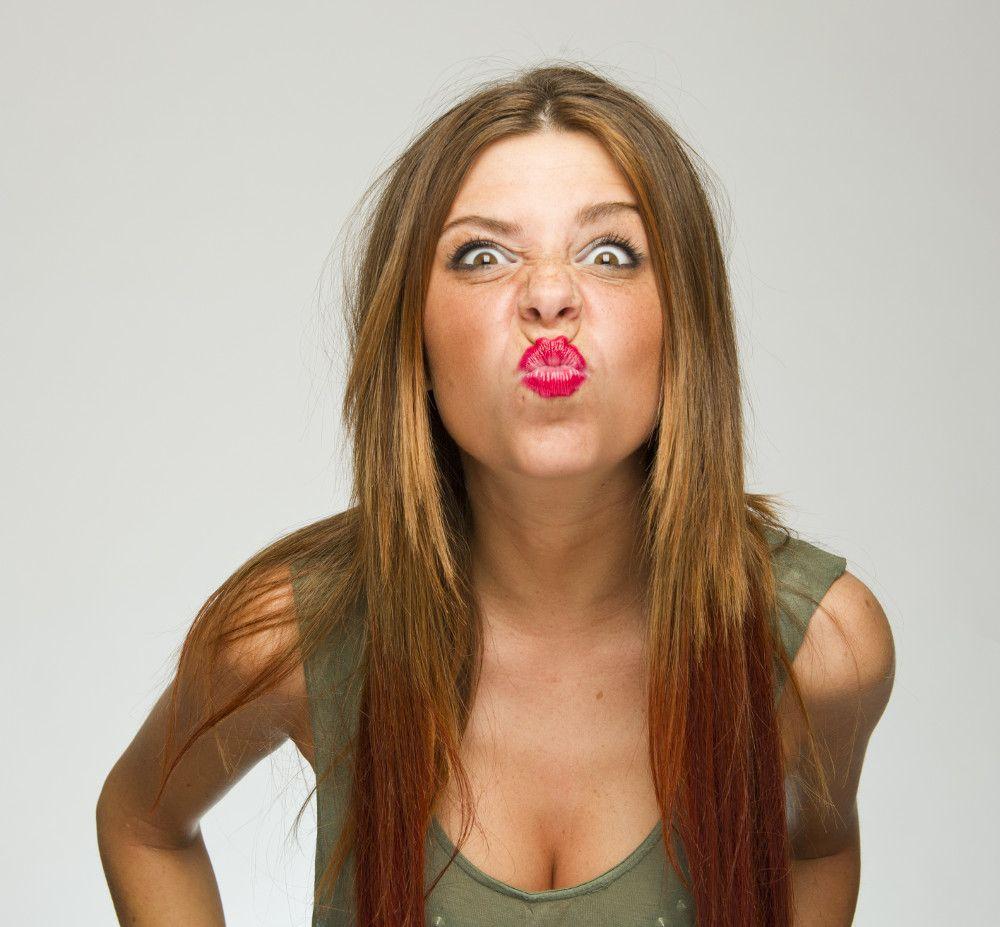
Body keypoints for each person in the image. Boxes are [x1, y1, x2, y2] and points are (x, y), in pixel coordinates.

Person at [96, 62, 895, 927]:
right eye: (483, 255)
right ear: (413, 337)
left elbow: (818, 846)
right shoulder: (286, 633)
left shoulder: (823, 649)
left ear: (685, 329)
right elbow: (142, 825)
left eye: (610, 253)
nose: (549, 295)